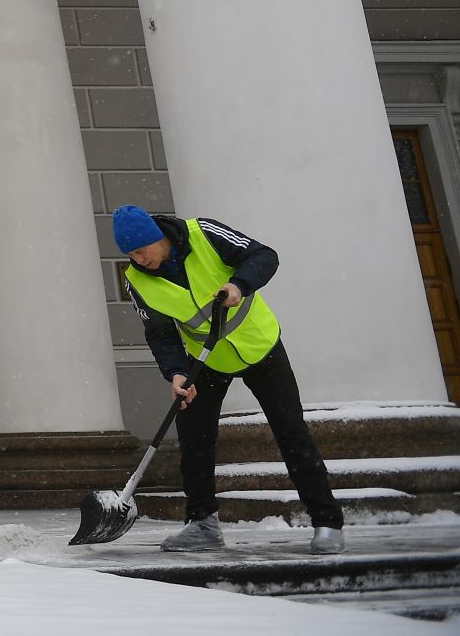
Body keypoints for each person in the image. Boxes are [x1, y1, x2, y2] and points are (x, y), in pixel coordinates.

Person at [113, 203, 344, 554]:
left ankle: (327, 523)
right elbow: (160, 333)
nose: (139, 260)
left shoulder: (203, 233)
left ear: (158, 237)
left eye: (142, 251)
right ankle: (202, 524)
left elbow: (264, 256)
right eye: (131, 255)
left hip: (260, 346)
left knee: (291, 431)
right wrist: (176, 373)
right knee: (194, 439)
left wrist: (239, 283)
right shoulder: (136, 280)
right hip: (206, 361)